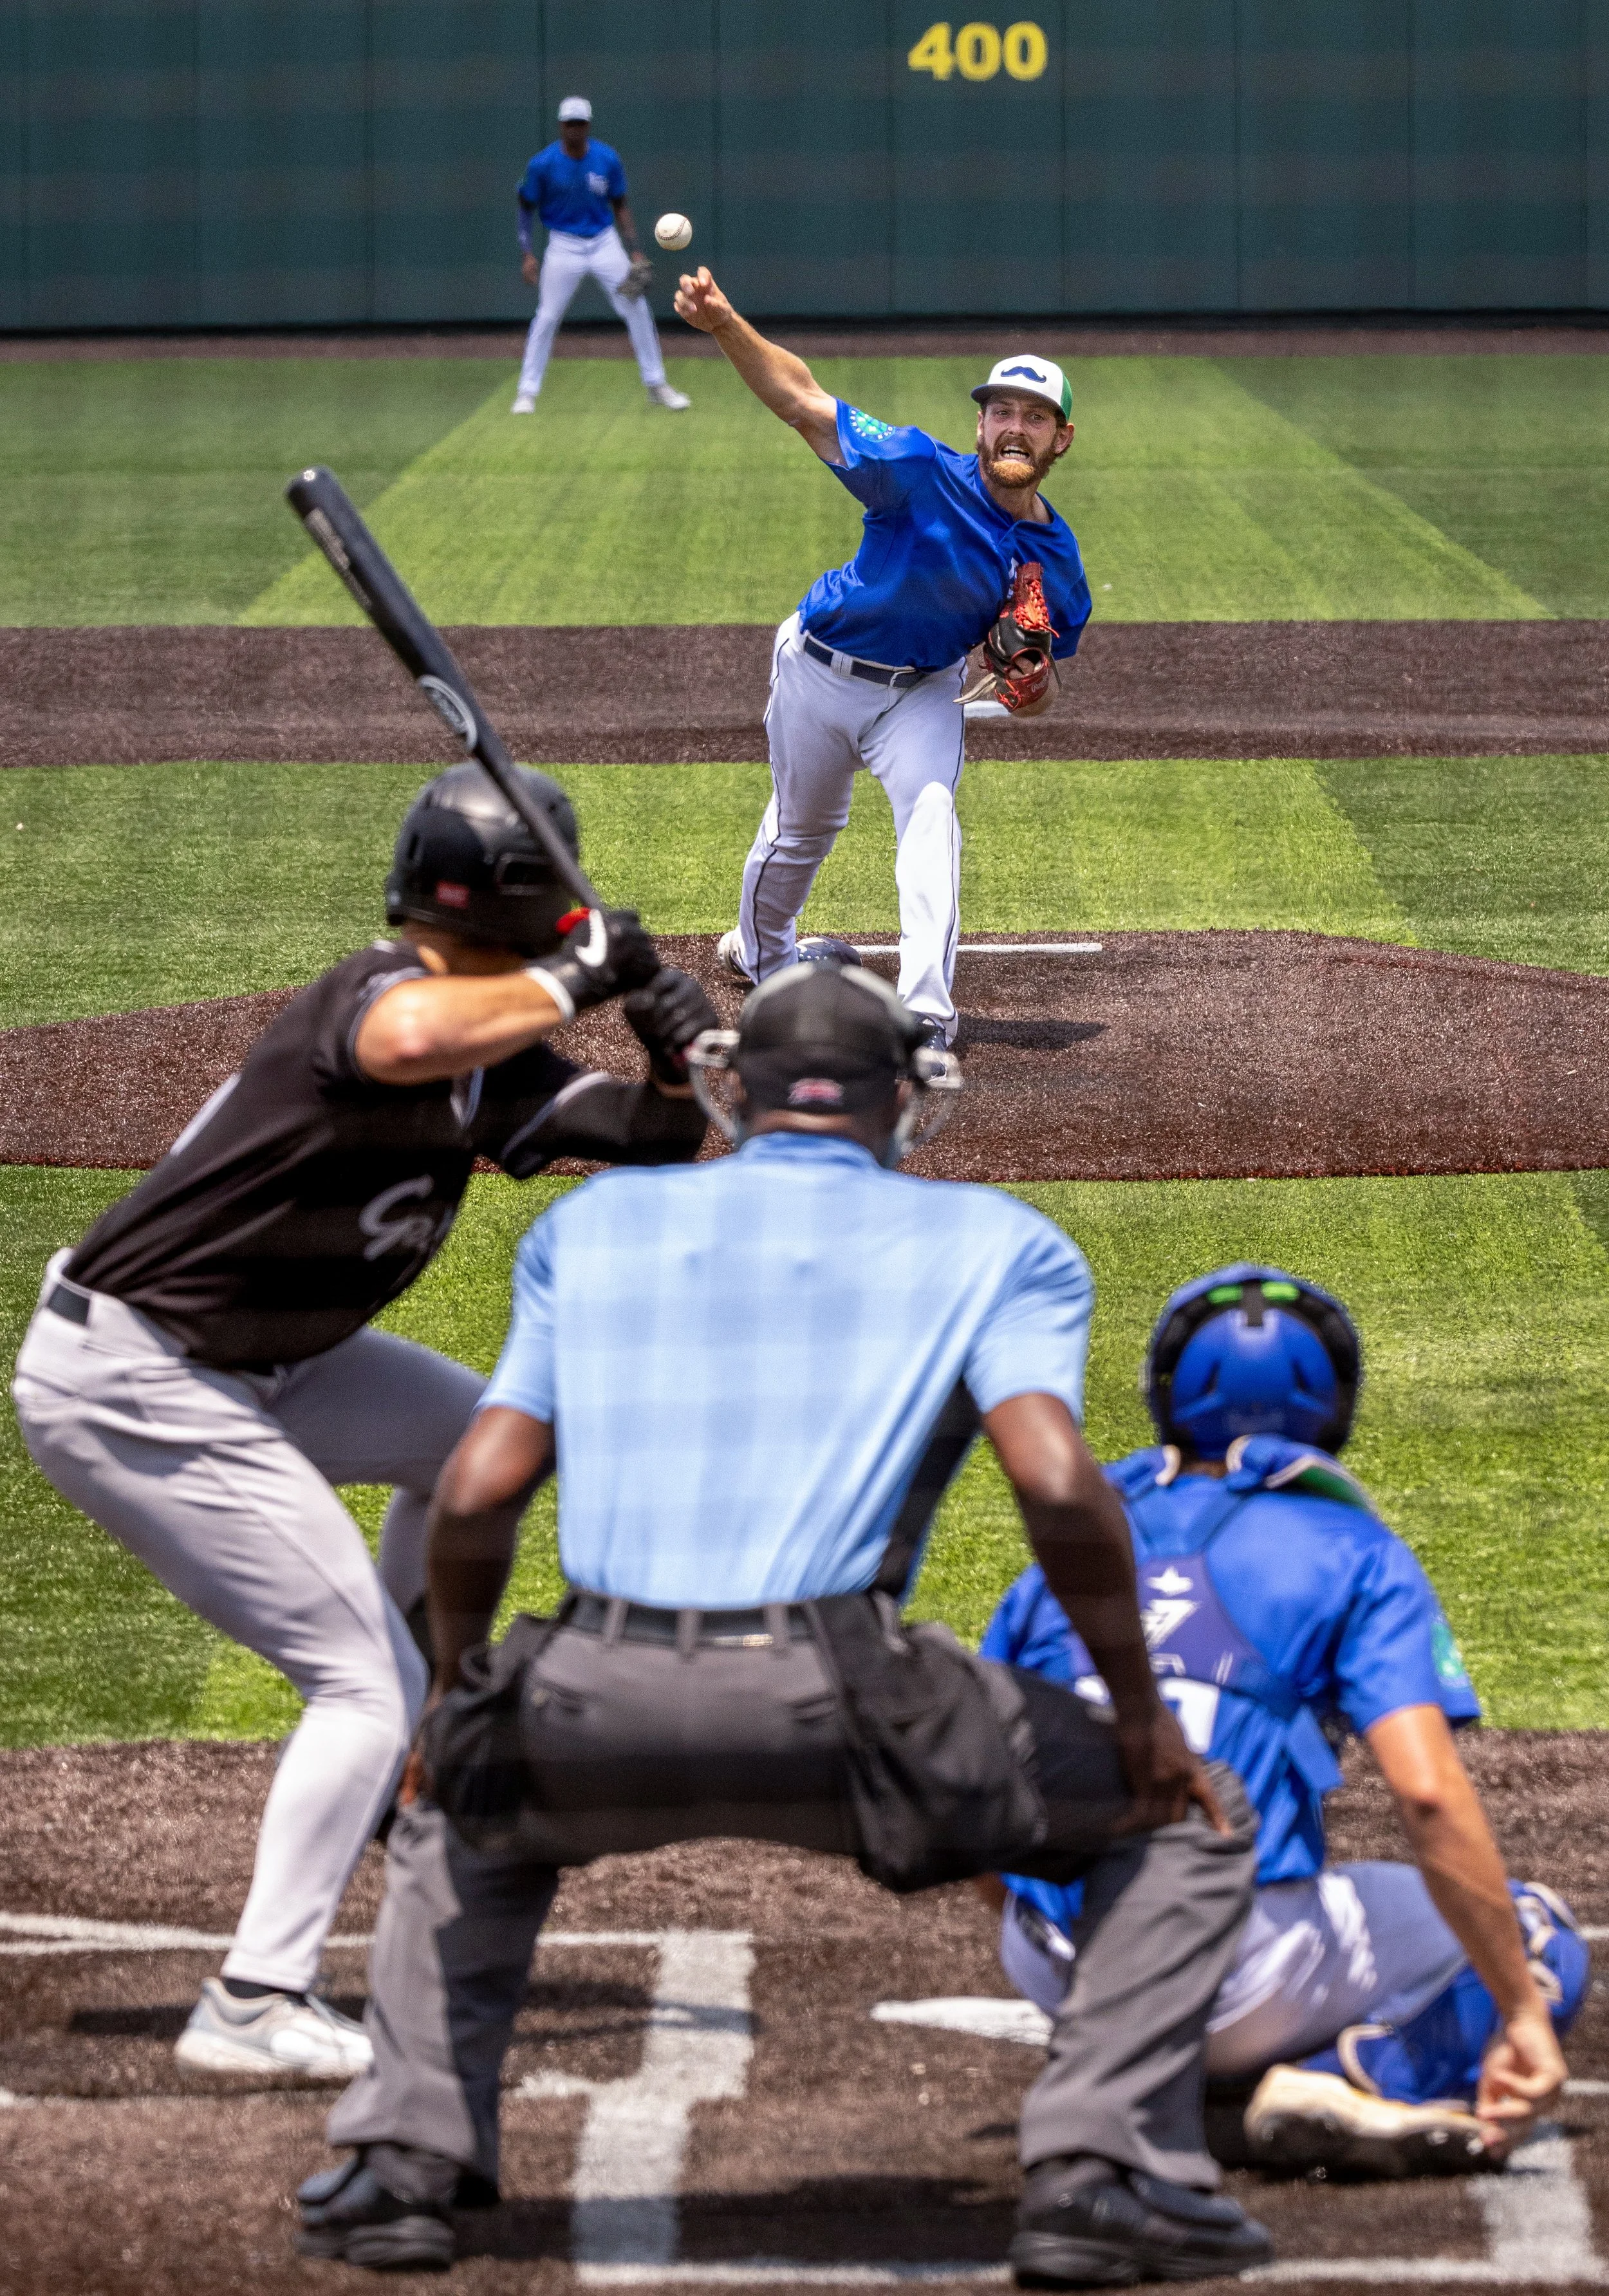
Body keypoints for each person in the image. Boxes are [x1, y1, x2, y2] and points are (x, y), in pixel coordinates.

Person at [293, 960, 1270, 2286]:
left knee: (460, 1810)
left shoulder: (593, 1230)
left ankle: (401, 2168)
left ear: (732, 1090)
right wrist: (1141, 1718)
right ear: (899, 1101)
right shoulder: (996, 1240)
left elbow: (473, 1490)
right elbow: (1053, 1484)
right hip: (848, 1700)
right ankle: (1096, 2173)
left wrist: (459, 1696)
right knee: (1182, 1821)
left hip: (590, 1686)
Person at [10, 763, 712, 2084]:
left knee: (486, 1445)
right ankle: (258, 1995)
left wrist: (667, 1062)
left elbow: (646, 1137)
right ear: (518, 908)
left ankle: (411, 1724)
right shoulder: (375, 994)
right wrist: (579, 981)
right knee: (355, 1684)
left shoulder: (483, 1049)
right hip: (140, 1376)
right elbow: (402, 1045)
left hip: (265, 1362)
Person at [981, 1265, 1583, 2181]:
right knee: (1539, 1936)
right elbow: (1426, 1792)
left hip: (1060, 1964)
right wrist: (1525, 2012)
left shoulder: (1076, 1541)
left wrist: (1039, 1928)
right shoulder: (1352, 1547)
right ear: (1334, 1407)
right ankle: (1336, 2075)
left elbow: (971, 1782)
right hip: (1242, 1971)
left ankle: (1159, 2057)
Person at [672, 263, 1092, 1048]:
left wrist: (1033, 686)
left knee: (932, 818)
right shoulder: (917, 471)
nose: (1013, 426)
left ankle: (927, 1014)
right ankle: (760, 957)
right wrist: (725, 323)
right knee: (803, 831)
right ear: (979, 426)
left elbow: (1045, 683)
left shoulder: (1056, 557)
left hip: (923, 694)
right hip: (818, 669)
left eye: (1034, 417)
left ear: (1059, 439)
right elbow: (802, 402)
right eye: (1000, 409)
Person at [511, 97, 689, 415]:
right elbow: (526, 208)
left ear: (588, 125)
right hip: (564, 244)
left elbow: (620, 204)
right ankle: (527, 392)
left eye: (580, 123)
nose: (574, 129)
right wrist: (527, 253)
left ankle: (656, 385)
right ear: (561, 125)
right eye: (569, 123)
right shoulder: (543, 164)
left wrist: (634, 248)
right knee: (548, 316)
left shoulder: (606, 158)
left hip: (604, 242)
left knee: (636, 306)